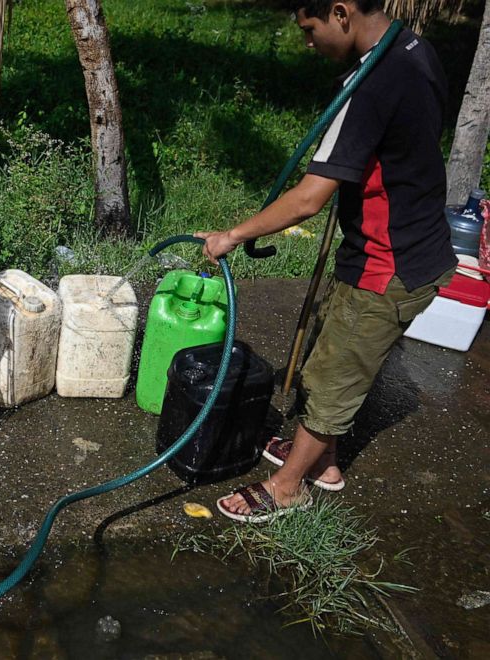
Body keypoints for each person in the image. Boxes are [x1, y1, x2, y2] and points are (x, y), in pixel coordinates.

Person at [195, 0, 457, 522]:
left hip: (391, 261)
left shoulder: (369, 86)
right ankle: (324, 462)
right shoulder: (414, 48)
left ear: (340, 12)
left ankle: (289, 486)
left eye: (310, 29)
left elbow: (309, 198)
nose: (307, 43)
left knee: (336, 376)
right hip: (395, 244)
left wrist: (232, 234)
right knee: (327, 352)